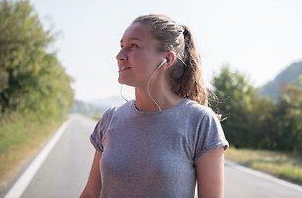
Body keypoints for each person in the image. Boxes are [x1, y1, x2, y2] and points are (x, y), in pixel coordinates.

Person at [80, 15, 229, 198]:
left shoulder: (201, 121)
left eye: (133, 46)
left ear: (167, 59)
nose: (119, 56)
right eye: (121, 46)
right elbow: (90, 194)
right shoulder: (111, 117)